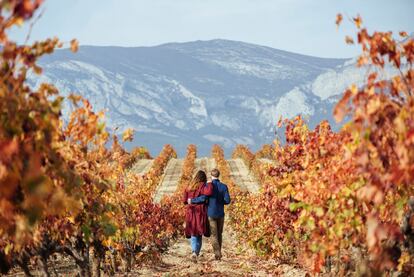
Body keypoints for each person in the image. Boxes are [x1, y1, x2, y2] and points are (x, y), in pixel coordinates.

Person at [190, 168, 231, 260]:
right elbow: (227, 201)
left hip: (210, 213)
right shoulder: (224, 186)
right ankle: (218, 253)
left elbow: (203, 198)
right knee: (219, 234)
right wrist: (220, 202)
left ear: (211, 176)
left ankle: (217, 253)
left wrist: (192, 201)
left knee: (213, 235)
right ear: (218, 175)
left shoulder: (208, 186)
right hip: (221, 213)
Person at [183, 170, 213, 261]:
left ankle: (194, 252)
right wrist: (210, 183)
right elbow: (205, 197)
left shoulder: (189, 186)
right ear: (203, 178)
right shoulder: (203, 186)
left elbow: (184, 200)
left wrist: (190, 201)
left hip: (191, 212)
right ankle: (195, 252)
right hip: (200, 212)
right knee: (198, 233)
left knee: (193, 232)